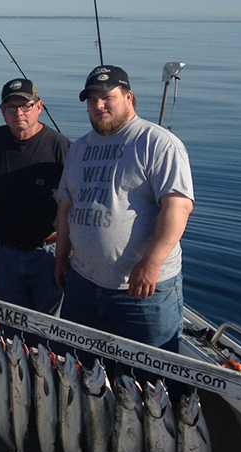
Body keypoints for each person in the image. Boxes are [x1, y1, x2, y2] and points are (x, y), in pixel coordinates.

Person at [54, 65, 194, 351]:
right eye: (92, 100)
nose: (99, 105)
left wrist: (151, 264)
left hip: (141, 290)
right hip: (82, 283)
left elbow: (178, 207)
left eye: (107, 97)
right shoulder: (78, 148)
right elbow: (66, 207)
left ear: (129, 97)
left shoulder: (158, 143)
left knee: (149, 371)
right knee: (77, 368)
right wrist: (60, 257)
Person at [0, 79, 70, 315]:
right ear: (2, 110)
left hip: (47, 253)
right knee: (10, 325)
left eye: (26, 106)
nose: (18, 113)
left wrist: (67, 252)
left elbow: (75, 203)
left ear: (39, 107)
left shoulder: (61, 147)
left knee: (51, 325)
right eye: (11, 107)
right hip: (3, 253)